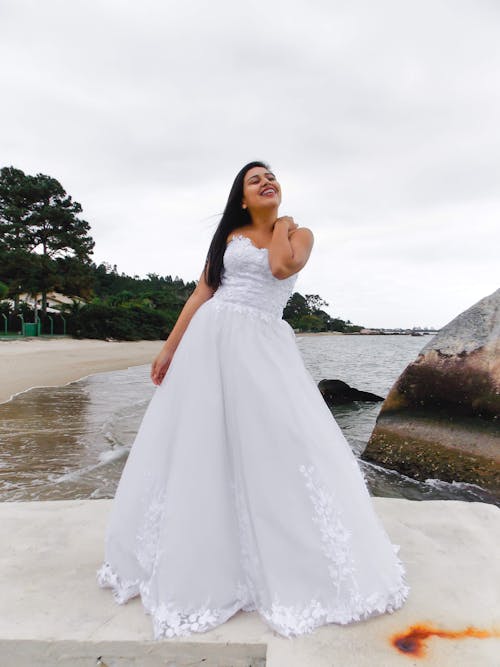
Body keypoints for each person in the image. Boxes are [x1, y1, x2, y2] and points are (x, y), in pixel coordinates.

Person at [96, 161, 409, 640]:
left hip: (263, 346)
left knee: (280, 442)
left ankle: (282, 555)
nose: (267, 181)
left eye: (271, 177)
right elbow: (204, 290)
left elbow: (283, 266)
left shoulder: (299, 234)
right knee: (201, 442)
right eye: (254, 179)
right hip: (211, 342)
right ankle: (198, 556)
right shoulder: (229, 236)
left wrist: (282, 223)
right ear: (242, 197)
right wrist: (170, 346)